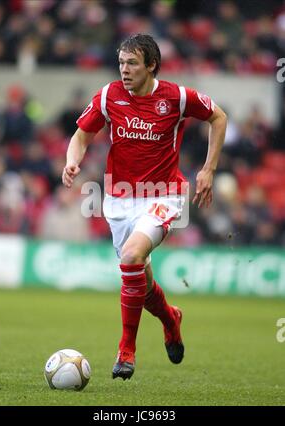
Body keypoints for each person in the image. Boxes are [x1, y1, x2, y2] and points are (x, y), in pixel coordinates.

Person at [62, 34, 227, 380]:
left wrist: (209, 169)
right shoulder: (108, 96)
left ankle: (126, 349)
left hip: (164, 194)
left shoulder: (178, 97)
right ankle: (170, 318)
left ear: (151, 65)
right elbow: (80, 135)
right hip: (119, 200)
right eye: (121, 62)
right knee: (141, 281)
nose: (124, 70)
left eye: (132, 63)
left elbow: (218, 117)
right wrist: (72, 162)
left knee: (132, 256)